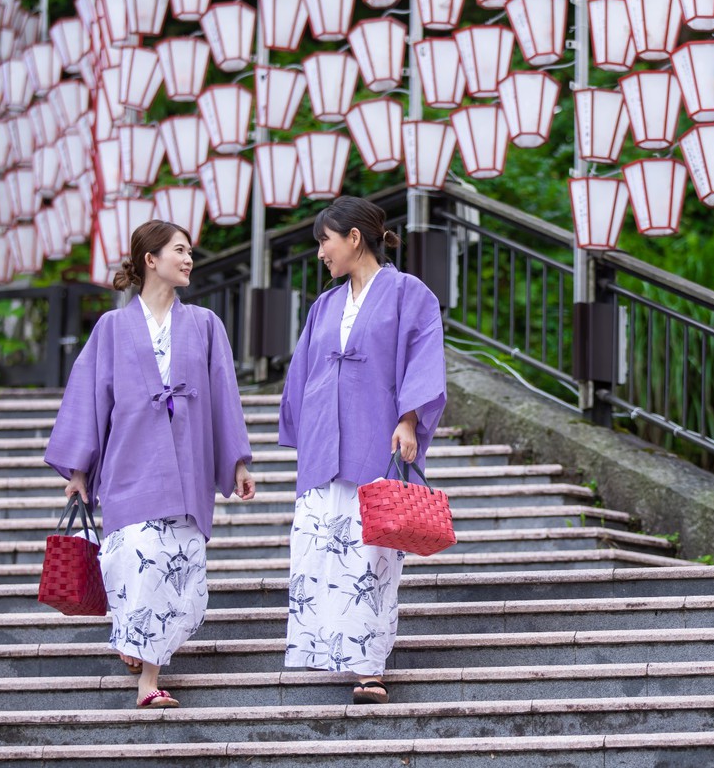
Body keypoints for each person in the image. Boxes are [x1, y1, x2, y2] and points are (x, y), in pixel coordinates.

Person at [44, 219, 256, 710]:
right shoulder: (112, 327)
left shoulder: (204, 324)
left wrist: (238, 462)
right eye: (179, 251)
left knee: (174, 570)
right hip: (128, 467)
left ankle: (143, 659)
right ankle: (144, 666)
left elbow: (224, 395)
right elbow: (89, 398)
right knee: (138, 562)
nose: (188, 260)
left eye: (189, 252)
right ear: (150, 260)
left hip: (187, 472)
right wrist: (78, 471)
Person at [278, 196, 447, 705]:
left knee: (371, 556)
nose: (321, 253)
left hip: (378, 438)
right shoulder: (324, 305)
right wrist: (302, 428)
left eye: (325, 241)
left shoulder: (407, 292)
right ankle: (325, 649)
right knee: (320, 550)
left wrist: (409, 418)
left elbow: (424, 351)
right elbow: (303, 371)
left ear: (354, 238)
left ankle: (369, 668)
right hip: (325, 445)